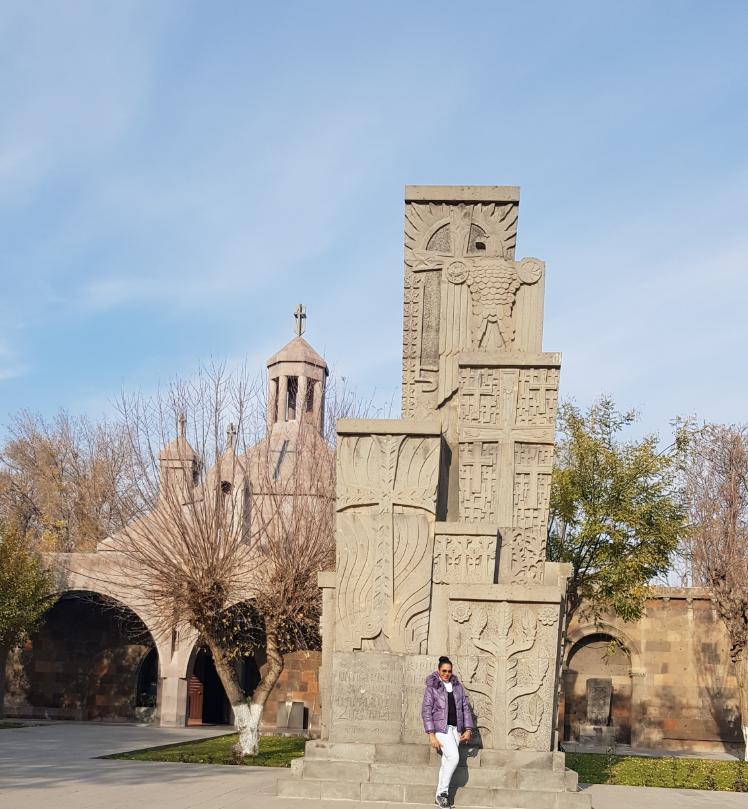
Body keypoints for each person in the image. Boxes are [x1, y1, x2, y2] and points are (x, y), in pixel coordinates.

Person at [421, 655, 474, 808]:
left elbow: (464, 708)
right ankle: (443, 793)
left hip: (455, 730)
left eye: (449, 671)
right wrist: (431, 735)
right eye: (443, 671)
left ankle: (439, 797)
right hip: (440, 729)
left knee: (446, 762)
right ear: (438, 670)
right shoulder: (432, 688)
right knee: (454, 757)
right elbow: (426, 712)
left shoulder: (457, 687)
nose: (446, 674)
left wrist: (468, 729)